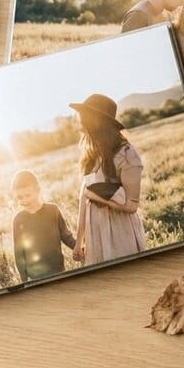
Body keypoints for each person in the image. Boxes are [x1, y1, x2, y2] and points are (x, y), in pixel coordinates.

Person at [70, 94, 148, 265]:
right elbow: (84, 199)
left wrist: (97, 196)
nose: (80, 123)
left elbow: (131, 205)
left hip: (120, 230)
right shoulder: (92, 154)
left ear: (95, 120)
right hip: (96, 230)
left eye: (83, 116)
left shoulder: (127, 154)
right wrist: (79, 241)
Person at [10, 170, 77, 282]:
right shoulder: (18, 220)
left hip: (58, 271)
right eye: (20, 197)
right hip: (36, 278)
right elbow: (19, 252)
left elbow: (66, 236)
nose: (24, 200)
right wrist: (24, 279)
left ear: (38, 191)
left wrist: (78, 248)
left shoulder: (53, 211)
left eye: (28, 195)